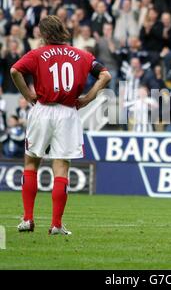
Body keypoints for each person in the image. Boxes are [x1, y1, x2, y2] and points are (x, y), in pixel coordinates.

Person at [10, 15, 111, 235]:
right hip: (68, 112)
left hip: (43, 110)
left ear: (44, 34)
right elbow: (105, 75)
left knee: (30, 163)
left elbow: (14, 71)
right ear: (62, 31)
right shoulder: (81, 55)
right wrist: (89, 98)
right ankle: (56, 224)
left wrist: (27, 95)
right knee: (61, 168)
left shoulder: (37, 53)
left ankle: (28, 219)